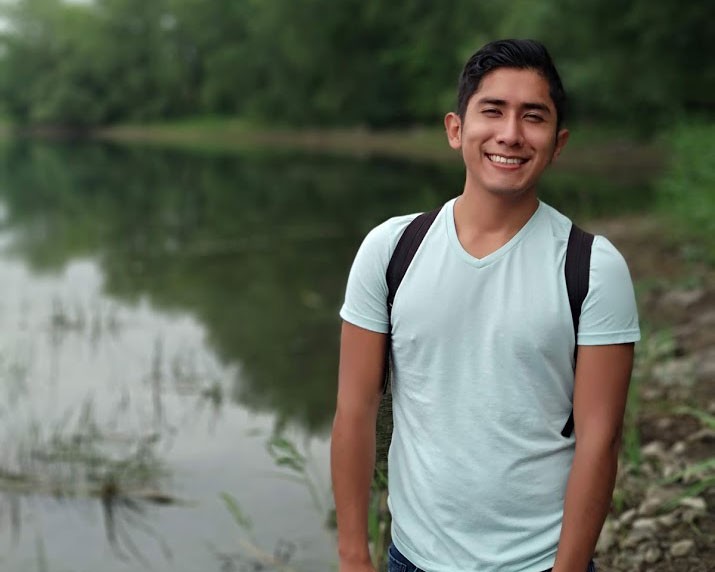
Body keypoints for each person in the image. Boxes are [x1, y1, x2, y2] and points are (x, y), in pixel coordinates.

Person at [331, 39, 640, 572]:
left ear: (558, 142)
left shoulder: (592, 267)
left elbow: (600, 440)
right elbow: (354, 413)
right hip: (414, 558)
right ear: (456, 129)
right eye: (492, 110)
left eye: (533, 117)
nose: (511, 134)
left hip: (540, 561)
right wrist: (353, 554)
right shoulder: (391, 250)